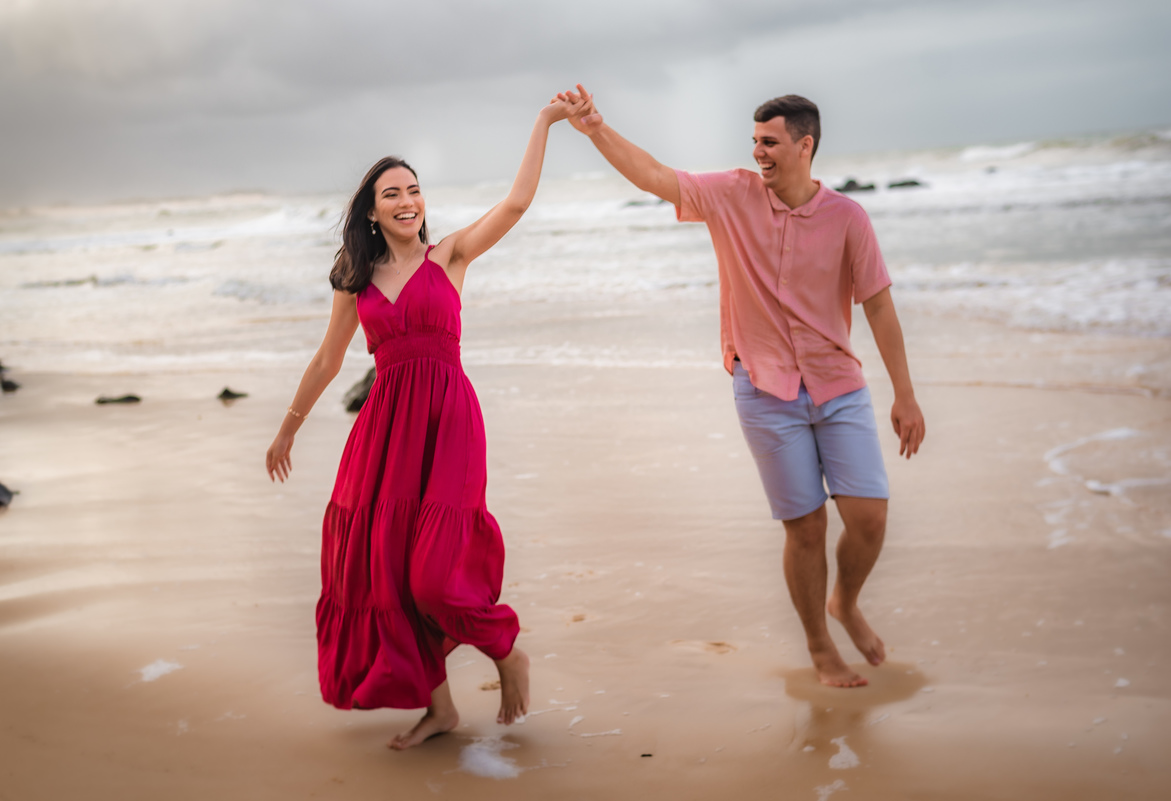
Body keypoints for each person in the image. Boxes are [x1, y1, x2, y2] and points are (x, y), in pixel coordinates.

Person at [558, 85, 925, 688]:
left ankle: (846, 602)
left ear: (805, 147)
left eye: (771, 142)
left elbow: (880, 309)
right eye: (754, 141)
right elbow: (653, 175)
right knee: (805, 527)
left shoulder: (847, 219)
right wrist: (595, 128)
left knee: (870, 519)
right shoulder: (730, 195)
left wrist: (905, 395)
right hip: (764, 390)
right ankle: (819, 646)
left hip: (838, 386)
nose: (758, 152)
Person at [265, 96, 580, 747]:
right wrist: (288, 426)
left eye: (413, 190)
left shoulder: (452, 256)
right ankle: (439, 707)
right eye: (391, 193)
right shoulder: (357, 280)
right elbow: (329, 360)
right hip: (384, 430)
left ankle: (505, 648)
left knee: (435, 572)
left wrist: (544, 122)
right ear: (373, 211)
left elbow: (516, 204)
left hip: (448, 421)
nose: (406, 200)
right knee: (387, 570)